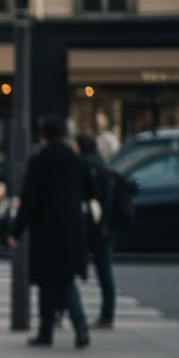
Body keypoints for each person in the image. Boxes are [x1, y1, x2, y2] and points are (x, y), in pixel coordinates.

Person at [9, 116, 93, 349]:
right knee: (66, 280)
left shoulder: (39, 161)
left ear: (44, 136)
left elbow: (29, 201)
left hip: (46, 231)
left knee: (47, 282)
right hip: (72, 230)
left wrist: (16, 231)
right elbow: (88, 192)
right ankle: (78, 323)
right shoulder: (76, 161)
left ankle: (46, 331)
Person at [76, 132, 117, 328]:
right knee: (104, 270)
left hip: (91, 225)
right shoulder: (101, 163)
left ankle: (61, 310)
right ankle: (107, 314)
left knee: (70, 269)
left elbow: (87, 196)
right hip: (105, 225)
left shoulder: (85, 164)